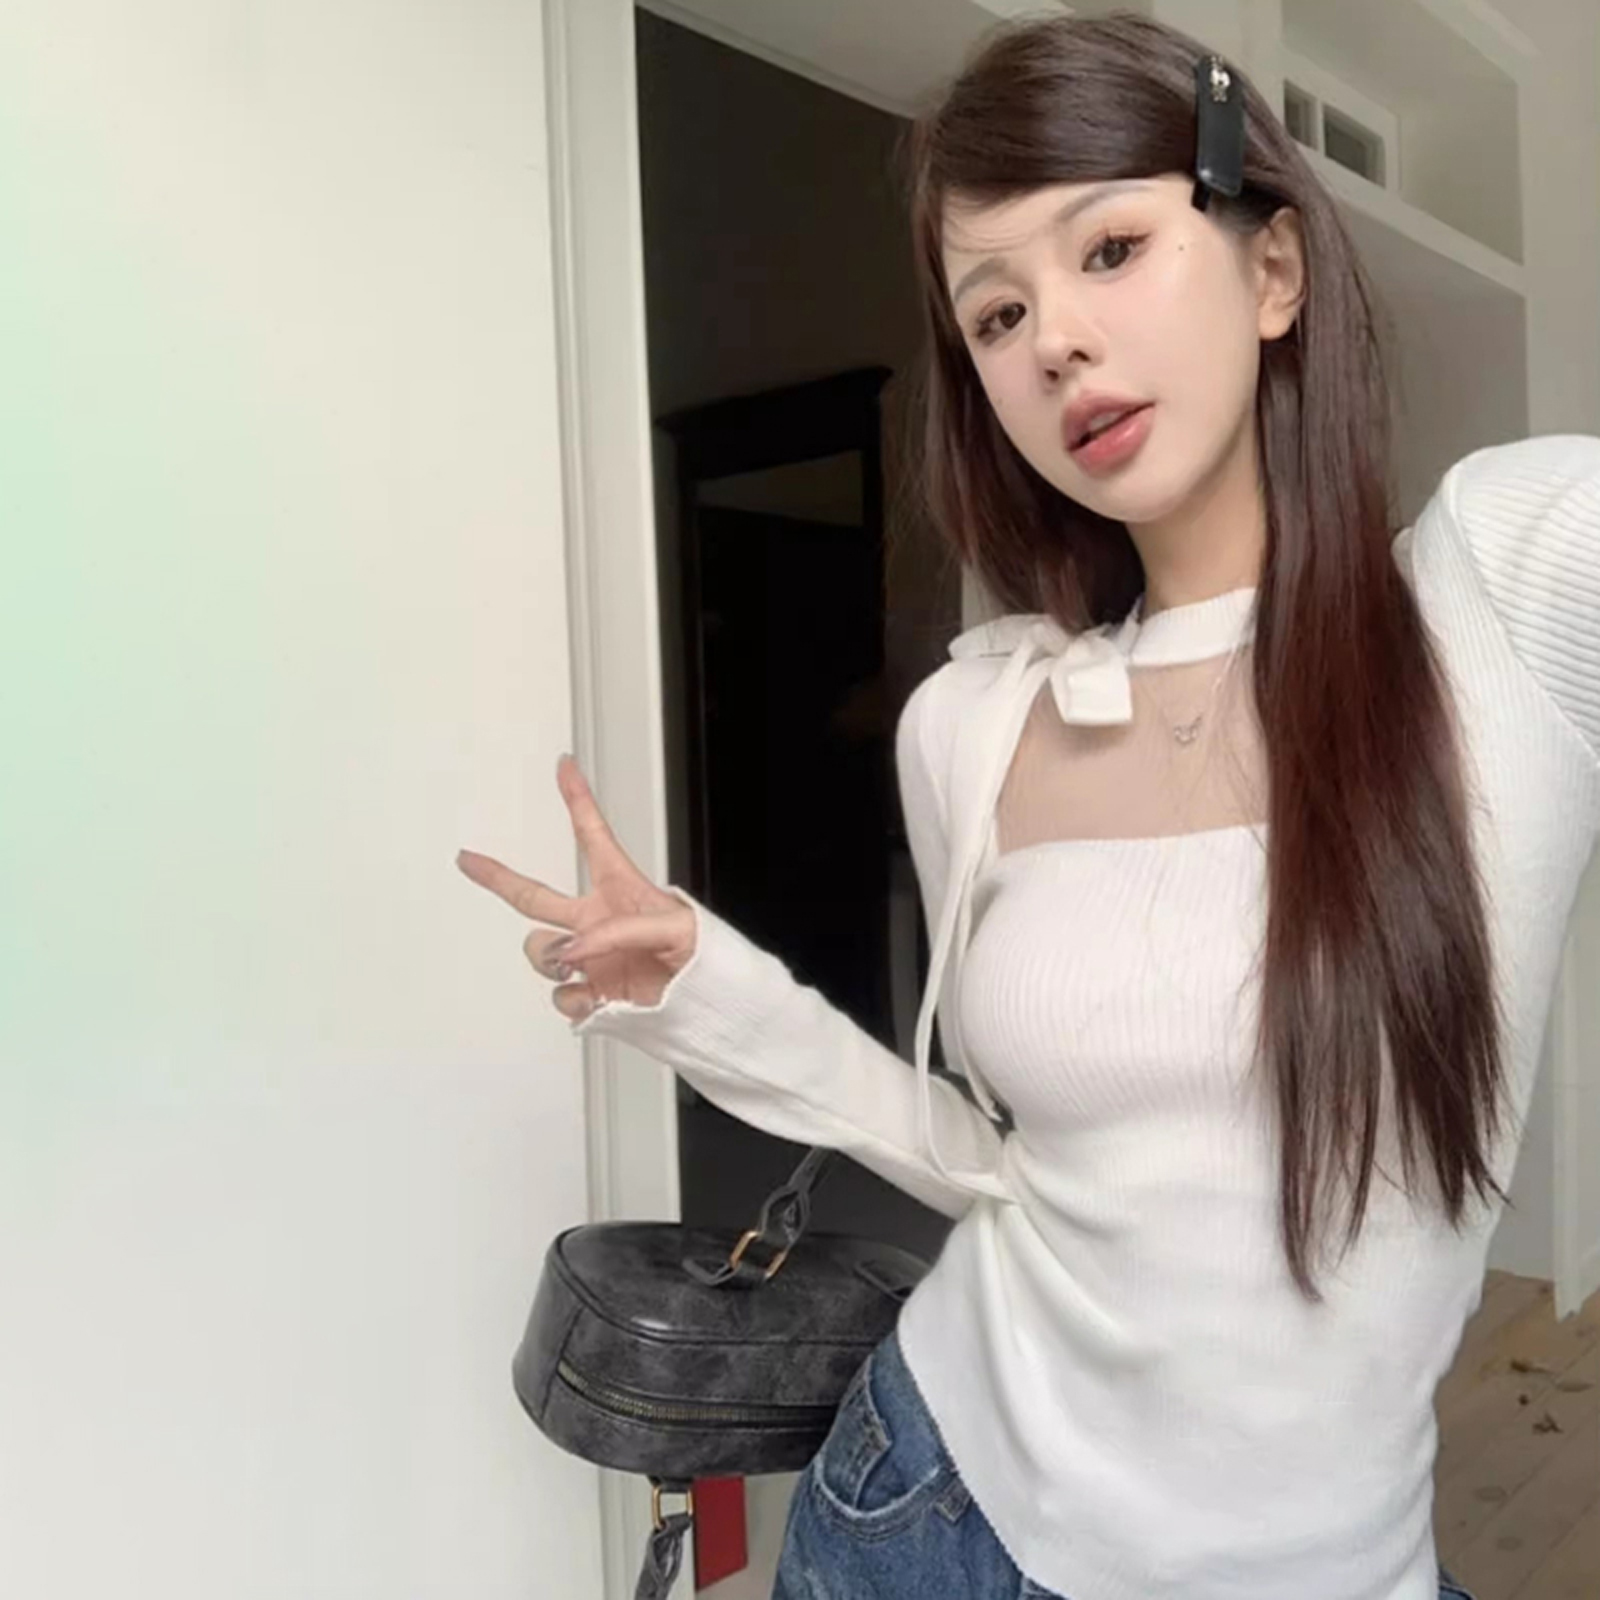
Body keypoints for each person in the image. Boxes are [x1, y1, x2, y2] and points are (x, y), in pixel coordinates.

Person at [457, 13, 1599, 1600]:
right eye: (995, 313)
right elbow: (1005, 1168)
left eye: (1111, 248)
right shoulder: (977, 723)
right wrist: (709, 994)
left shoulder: (1505, 591)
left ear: (1274, 270)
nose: (1052, 339)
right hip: (922, 1510)